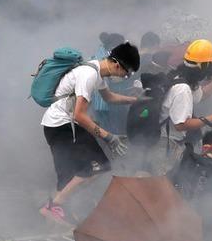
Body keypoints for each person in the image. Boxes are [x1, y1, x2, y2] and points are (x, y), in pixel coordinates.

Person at [39, 41, 140, 225]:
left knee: (84, 171)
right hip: (61, 126)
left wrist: (135, 100)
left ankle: (57, 208)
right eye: (127, 74)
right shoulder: (89, 75)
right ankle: (54, 207)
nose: (125, 77)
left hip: (67, 125)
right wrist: (109, 137)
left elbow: (109, 97)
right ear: (118, 65)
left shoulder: (97, 71)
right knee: (92, 168)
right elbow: (79, 114)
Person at [151, 38, 212, 174]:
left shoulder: (183, 78)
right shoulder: (182, 89)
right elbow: (180, 125)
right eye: (209, 66)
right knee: (162, 184)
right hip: (165, 145)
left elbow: (202, 95)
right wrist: (210, 119)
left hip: (170, 142)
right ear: (202, 67)